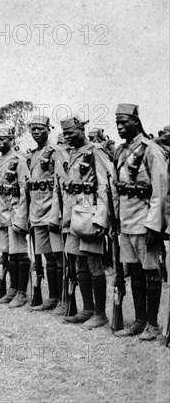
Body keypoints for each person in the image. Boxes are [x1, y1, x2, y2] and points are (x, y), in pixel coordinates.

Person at [113, 104, 167, 340]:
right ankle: (139, 320)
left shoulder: (150, 150)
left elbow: (160, 190)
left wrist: (155, 225)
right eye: (117, 123)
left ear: (136, 121)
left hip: (145, 220)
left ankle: (153, 324)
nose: (120, 127)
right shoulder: (120, 151)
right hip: (126, 220)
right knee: (134, 271)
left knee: (150, 272)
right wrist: (114, 219)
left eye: (124, 122)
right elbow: (115, 189)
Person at [60, 115, 113, 330]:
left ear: (82, 129)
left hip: (90, 214)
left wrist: (102, 218)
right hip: (74, 214)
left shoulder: (95, 151)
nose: (67, 137)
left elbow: (104, 185)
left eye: (71, 133)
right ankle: (87, 309)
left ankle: (100, 314)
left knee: (94, 264)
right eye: (64, 134)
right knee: (79, 263)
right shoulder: (72, 153)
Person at [26, 115, 69, 312]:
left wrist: (57, 214)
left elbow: (62, 185)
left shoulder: (56, 152)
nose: (36, 132)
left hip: (52, 210)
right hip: (36, 210)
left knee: (59, 257)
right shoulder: (33, 154)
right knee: (47, 257)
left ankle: (64, 300)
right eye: (33, 129)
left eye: (40, 129)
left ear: (48, 130)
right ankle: (52, 297)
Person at [0, 125, 30, 308]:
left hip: (15, 211)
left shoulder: (19, 161)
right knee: (8, 253)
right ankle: (13, 289)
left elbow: (24, 189)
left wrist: (21, 217)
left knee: (19, 253)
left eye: (2, 139)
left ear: (11, 139)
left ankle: (21, 292)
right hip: (1, 212)